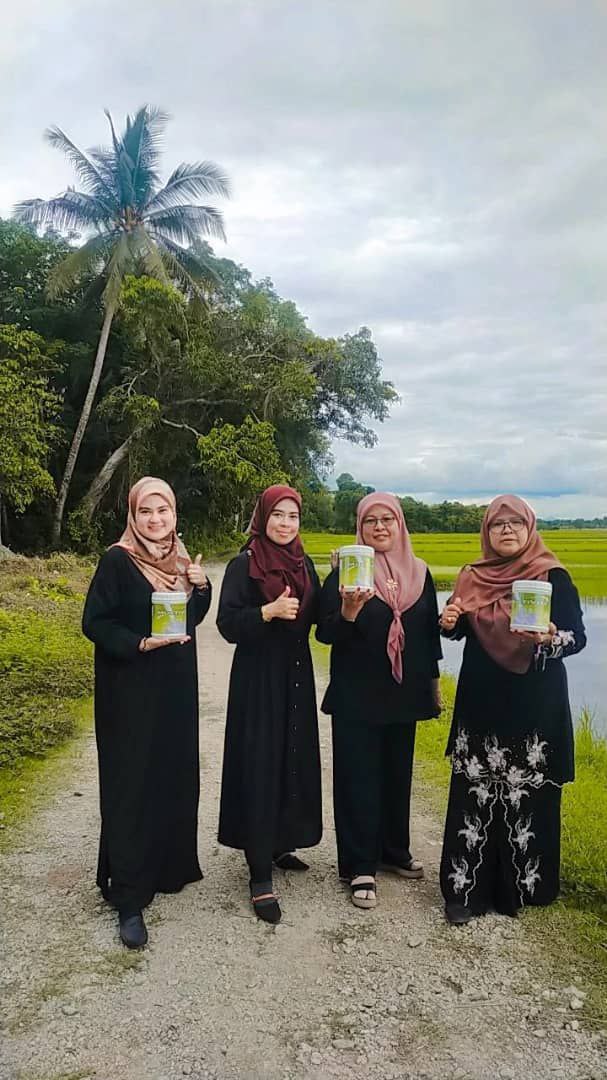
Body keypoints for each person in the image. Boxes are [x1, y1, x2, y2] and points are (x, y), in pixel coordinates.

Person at [438, 494, 586, 925]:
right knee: (476, 790)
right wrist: (449, 622)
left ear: (529, 528)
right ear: (486, 531)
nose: (506, 530)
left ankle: (523, 889)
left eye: (515, 523)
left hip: (535, 699)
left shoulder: (552, 575)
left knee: (529, 792)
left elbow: (577, 637)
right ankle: (464, 891)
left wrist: (550, 639)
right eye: (497, 524)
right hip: (482, 698)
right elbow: (459, 627)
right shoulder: (472, 575)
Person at [82, 477, 211, 948]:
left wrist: (201, 588)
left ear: (175, 514)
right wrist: (138, 643)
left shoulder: (181, 558)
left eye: (163, 511)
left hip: (174, 687)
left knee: (171, 775)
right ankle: (129, 896)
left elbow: (190, 618)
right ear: (133, 517)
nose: (156, 520)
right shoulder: (117, 560)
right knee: (131, 783)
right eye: (146, 512)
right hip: (130, 690)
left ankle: (168, 868)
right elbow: (94, 622)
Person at [316, 493, 442, 910]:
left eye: (388, 519)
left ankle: (393, 850)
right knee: (358, 777)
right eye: (371, 520)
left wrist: (433, 685)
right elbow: (325, 633)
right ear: (361, 527)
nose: (380, 527)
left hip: (404, 692)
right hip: (357, 692)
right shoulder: (347, 572)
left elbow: (429, 636)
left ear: (400, 524)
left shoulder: (420, 573)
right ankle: (359, 865)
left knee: (397, 775)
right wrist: (349, 611)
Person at [216, 484, 322, 924]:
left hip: (296, 675)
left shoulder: (304, 563)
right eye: (278, 514)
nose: (285, 523)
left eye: (293, 516)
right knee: (260, 763)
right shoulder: (245, 564)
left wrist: (346, 592)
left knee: (291, 757)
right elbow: (226, 624)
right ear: (263, 518)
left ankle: (281, 842)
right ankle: (259, 871)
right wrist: (266, 612)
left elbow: (319, 618)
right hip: (258, 679)